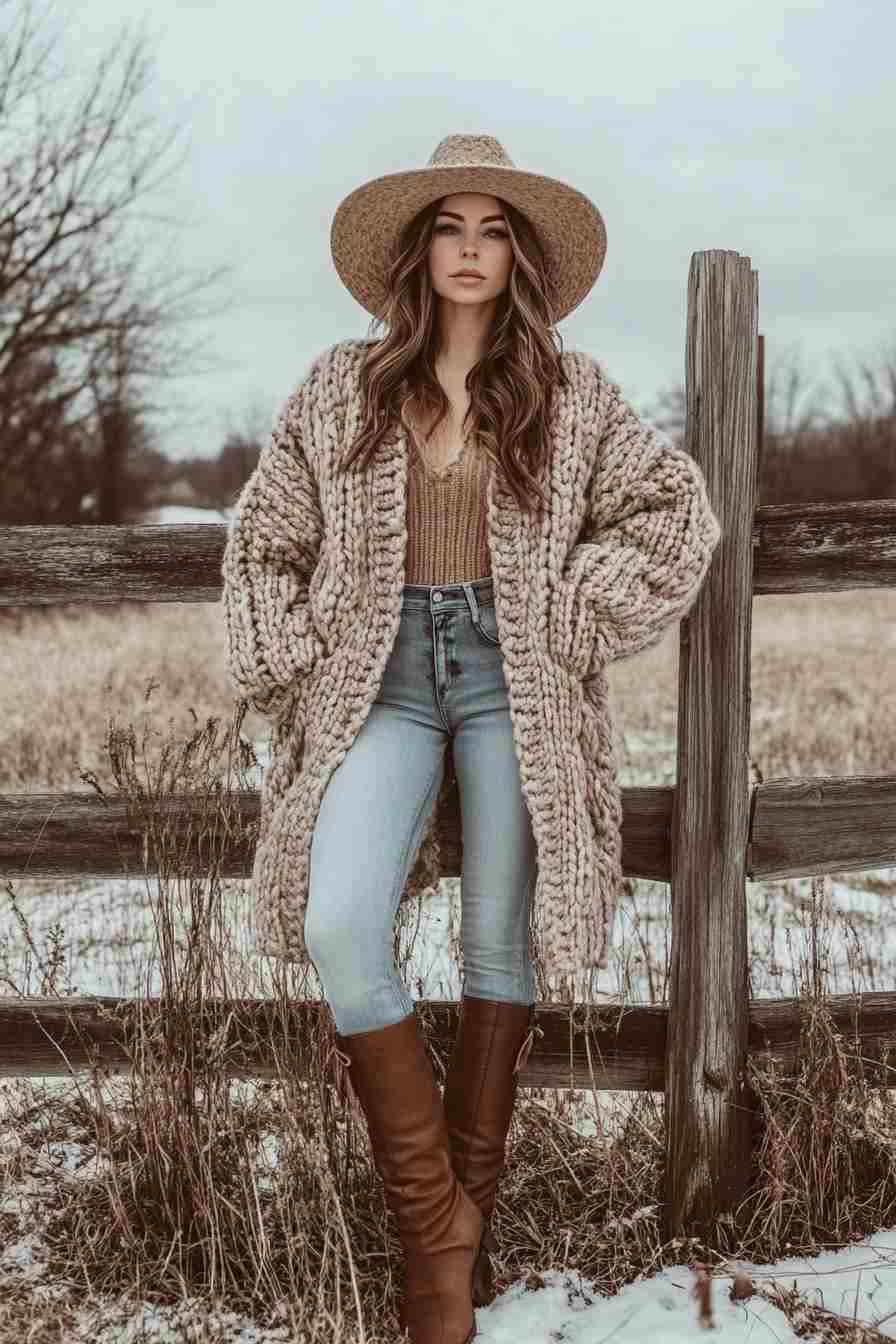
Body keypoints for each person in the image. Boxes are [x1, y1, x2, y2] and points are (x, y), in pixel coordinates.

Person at [220, 133, 722, 1344]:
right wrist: (289, 653)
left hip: (517, 683)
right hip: (377, 684)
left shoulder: (572, 389)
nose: (468, 252)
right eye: (449, 228)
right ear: (415, 248)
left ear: (521, 256)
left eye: (492, 231)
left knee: (502, 940)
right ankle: (437, 1220)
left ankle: (443, 1270)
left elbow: (676, 515)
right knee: (340, 923)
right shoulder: (344, 384)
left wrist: (575, 600)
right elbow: (262, 541)